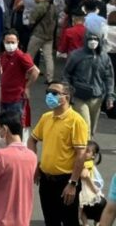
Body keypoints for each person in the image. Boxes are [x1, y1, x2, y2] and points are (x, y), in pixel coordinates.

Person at [28, 81, 89, 226]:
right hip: (46, 180)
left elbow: (81, 154)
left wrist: (73, 183)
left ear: (66, 97)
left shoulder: (76, 121)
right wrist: (35, 163)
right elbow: (32, 140)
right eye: (48, 92)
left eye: (54, 93)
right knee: (50, 221)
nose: (49, 95)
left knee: (69, 221)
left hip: (66, 181)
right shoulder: (46, 117)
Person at [63, 29, 115, 135]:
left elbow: (109, 77)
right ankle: (84, 148)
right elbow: (66, 74)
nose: (93, 41)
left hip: (97, 97)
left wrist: (110, 96)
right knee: (85, 126)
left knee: (91, 129)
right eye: (90, 38)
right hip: (79, 96)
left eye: (95, 39)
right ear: (85, 40)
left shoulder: (104, 57)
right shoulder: (76, 55)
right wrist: (67, 90)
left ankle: (86, 149)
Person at [0, 30, 39, 119]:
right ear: (3, 42)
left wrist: (27, 87)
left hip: (16, 98)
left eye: (13, 42)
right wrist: (0, 94)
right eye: (7, 42)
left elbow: (35, 72)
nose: (10, 45)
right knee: (4, 127)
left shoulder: (22, 56)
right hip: (4, 97)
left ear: (17, 42)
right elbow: (2, 76)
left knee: (15, 126)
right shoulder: (3, 56)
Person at [26, 0, 58, 83]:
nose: (33, 0)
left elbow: (32, 21)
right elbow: (55, 19)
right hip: (49, 35)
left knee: (29, 56)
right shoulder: (53, 6)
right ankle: (50, 78)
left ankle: (26, 75)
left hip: (38, 34)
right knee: (48, 57)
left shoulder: (39, 7)